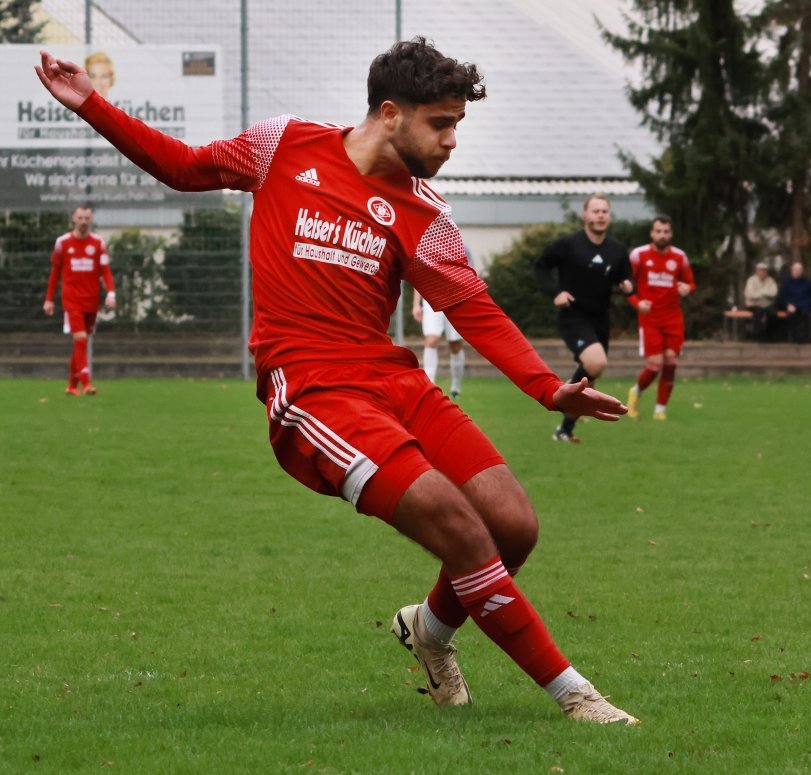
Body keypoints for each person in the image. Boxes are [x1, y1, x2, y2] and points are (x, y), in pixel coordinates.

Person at [36, 39, 639, 725]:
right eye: (441, 124)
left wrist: (546, 387)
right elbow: (181, 166)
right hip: (314, 389)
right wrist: (91, 103)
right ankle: (576, 695)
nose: (451, 141)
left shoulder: (424, 211)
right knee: (459, 527)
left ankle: (430, 633)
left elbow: (473, 306)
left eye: (457, 126)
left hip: (391, 378)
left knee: (513, 525)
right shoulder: (282, 148)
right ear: (390, 113)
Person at [533, 194, 634, 443]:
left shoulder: (618, 250)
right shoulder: (568, 244)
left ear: (609, 217)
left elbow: (627, 277)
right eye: (595, 211)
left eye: (605, 211)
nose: (600, 215)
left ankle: (564, 430)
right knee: (595, 365)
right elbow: (540, 266)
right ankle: (562, 390)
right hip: (573, 317)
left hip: (601, 321)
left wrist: (629, 286)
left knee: (590, 379)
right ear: (585, 215)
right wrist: (556, 292)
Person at [625, 215, 694, 421]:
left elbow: (690, 283)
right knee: (655, 365)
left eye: (666, 232)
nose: (662, 235)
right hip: (650, 318)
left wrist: (687, 288)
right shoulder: (639, 255)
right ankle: (636, 392)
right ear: (651, 233)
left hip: (673, 318)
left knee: (671, 363)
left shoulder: (680, 257)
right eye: (658, 231)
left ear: (671, 234)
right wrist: (638, 303)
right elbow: (627, 285)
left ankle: (660, 410)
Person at [42, 204, 116, 395]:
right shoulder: (62, 243)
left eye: (87, 218)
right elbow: (55, 272)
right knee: (81, 339)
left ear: (91, 220)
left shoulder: (98, 243)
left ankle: (71, 386)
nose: (83, 222)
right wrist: (49, 299)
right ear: (73, 219)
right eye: (80, 218)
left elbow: (105, 270)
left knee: (80, 343)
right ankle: (86, 383)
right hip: (72, 300)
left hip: (92, 300)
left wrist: (111, 292)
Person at [412, 288, 466, 399]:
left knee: (455, 345)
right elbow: (419, 276)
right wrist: (416, 304)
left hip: (455, 299)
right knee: (431, 340)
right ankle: (429, 385)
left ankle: (456, 387)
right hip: (431, 298)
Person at [778, 261, 811, 344]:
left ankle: (804, 338)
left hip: (804, 306)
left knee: (805, 313)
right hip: (790, 306)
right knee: (792, 314)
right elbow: (782, 296)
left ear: (801, 271)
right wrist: (787, 304)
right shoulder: (786, 283)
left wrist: (803, 305)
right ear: (791, 270)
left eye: (798, 270)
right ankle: (792, 337)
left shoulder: (807, 283)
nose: (796, 272)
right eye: (794, 270)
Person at [743, 261, 777, 341]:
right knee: (758, 312)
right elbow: (750, 294)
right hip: (754, 304)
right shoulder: (751, 280)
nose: (762, 272)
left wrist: (761, 293)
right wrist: (764, 293)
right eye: (760, 270)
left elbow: (774, 293)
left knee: (773, 314)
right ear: (757, 271)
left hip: (767, 304)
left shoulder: (770, 280)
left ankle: (769, 337)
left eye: (764, 270)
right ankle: (757, 337)